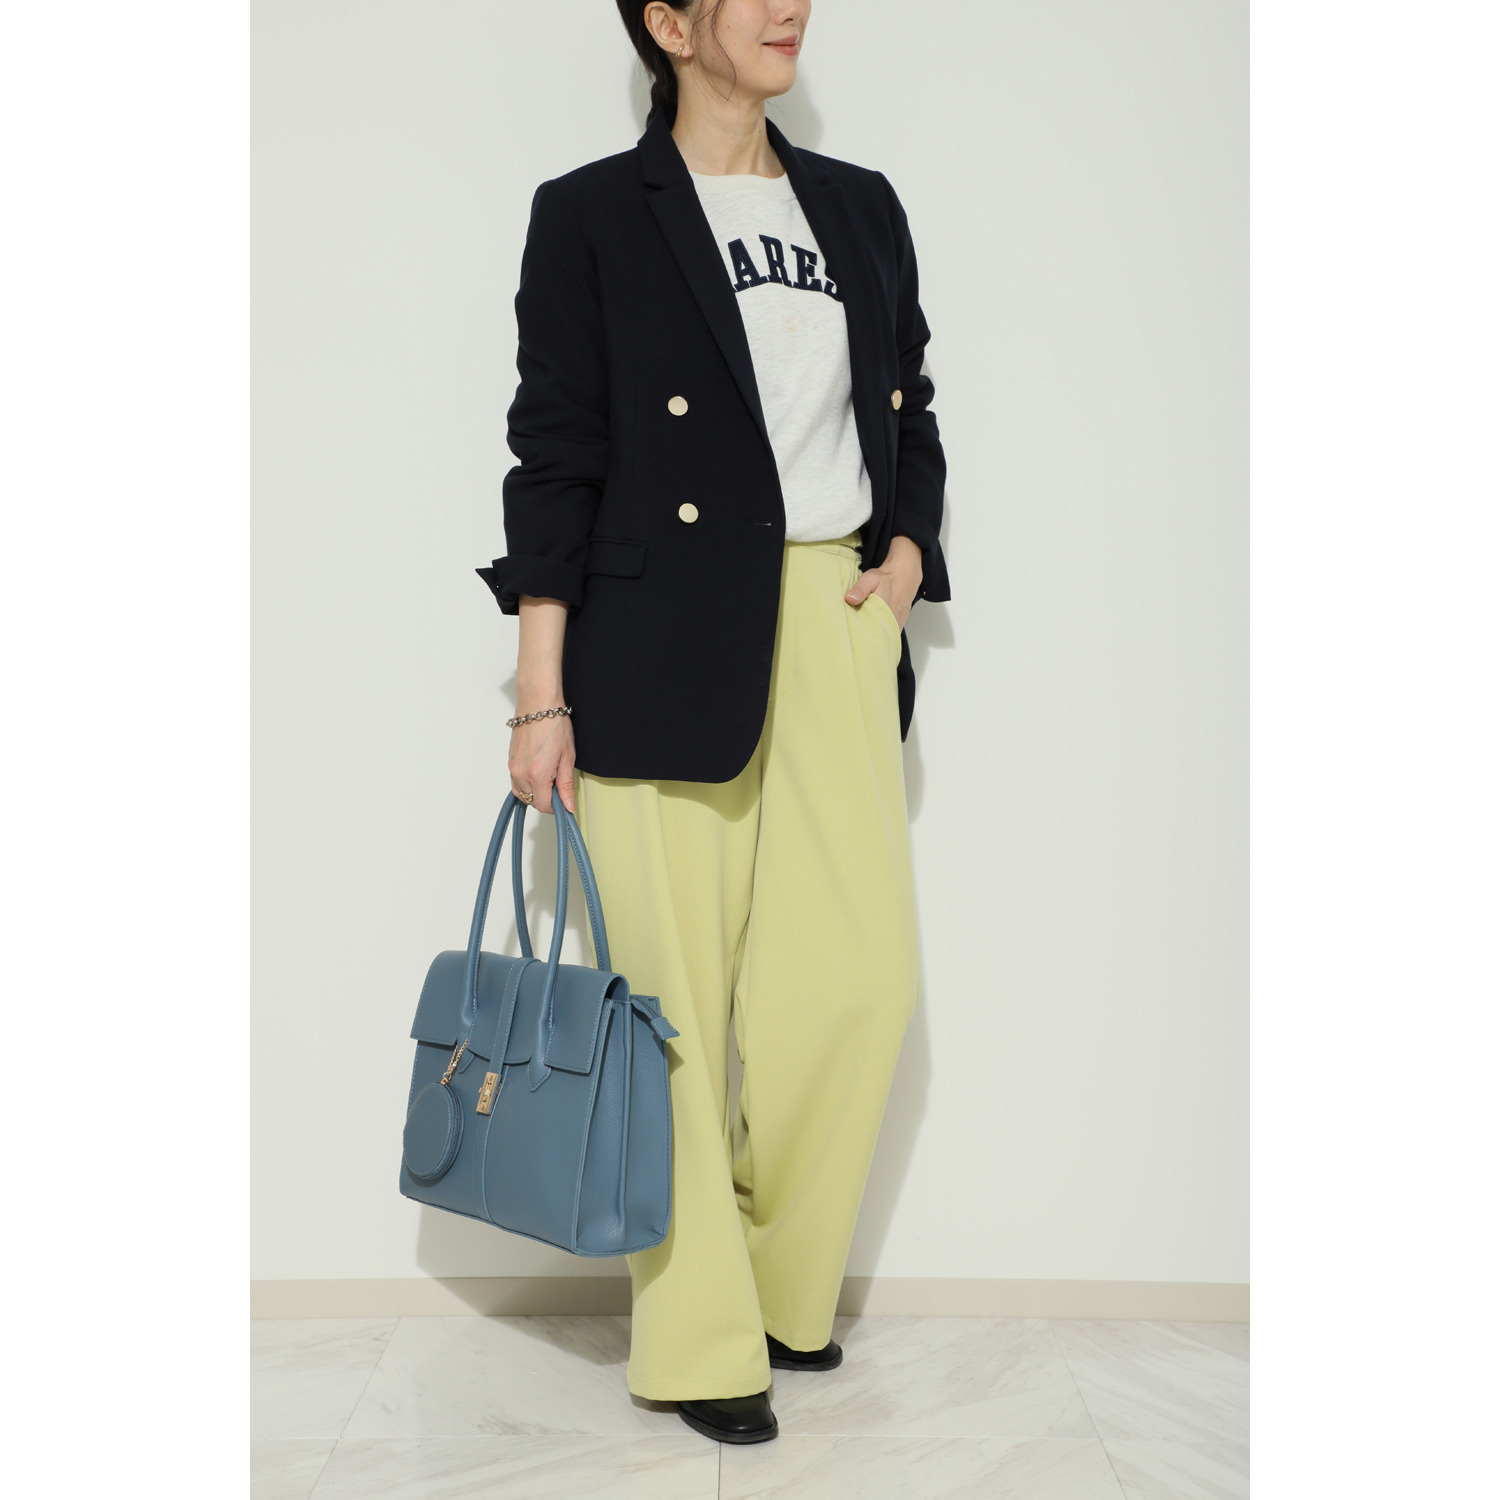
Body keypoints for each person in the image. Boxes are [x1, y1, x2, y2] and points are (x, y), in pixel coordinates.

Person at [476, 0, 950, 1444]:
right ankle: (695, 1338)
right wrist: (541, 690)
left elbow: (909, 401)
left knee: (855, 985)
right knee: (669, 1005)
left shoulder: (858, 207)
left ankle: (782, 1291)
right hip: (652, 633)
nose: (788, 6)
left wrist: (906, 555)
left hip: (832, 619)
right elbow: (556, 451)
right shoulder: (590, 214)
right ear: (672, 24)